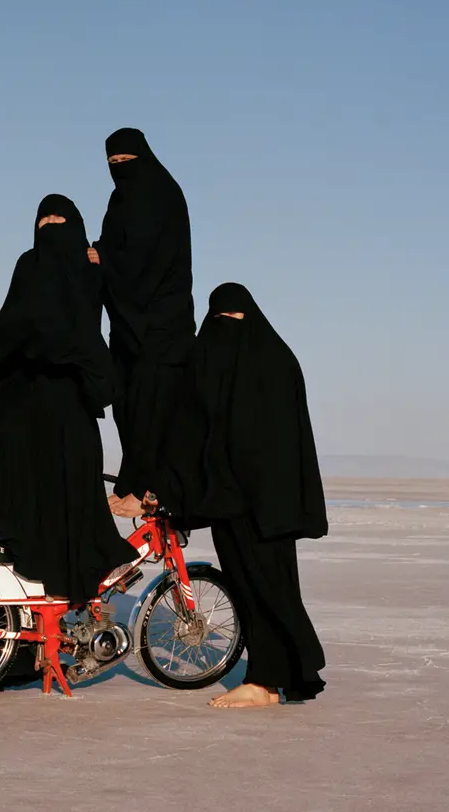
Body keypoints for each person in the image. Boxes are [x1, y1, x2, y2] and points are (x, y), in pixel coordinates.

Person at [117, 283, 327, 709]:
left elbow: (211, 438)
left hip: (257, 502)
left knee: (268, 589)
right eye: (220, 321)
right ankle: (275, 678)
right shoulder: (273, 358)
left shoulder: (258, 362)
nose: (226, 329)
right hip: (250, 502)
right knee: (255, 589)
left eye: (233, 320)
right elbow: (201, 435)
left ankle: (269, 680)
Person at [0, 194, 138, 604]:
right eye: (44, 220)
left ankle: (59, 611)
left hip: (70, 402)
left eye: (60, 219)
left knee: (70, 502)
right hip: (30, 401)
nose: (51, 226)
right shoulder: (30, 264)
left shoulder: (90, 269)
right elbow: (16, 318)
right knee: (26, 504)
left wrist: (101, 268)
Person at [94, 127, 195, 505]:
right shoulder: (119, 202)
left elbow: (146, 259)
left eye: (127, 162)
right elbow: (118, 248)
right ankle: (133, 482)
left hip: (162, 325)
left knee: (154, 406)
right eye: (113, 163)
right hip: (126, 325)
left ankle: (149, 485)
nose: (120, 169)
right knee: (128, 405)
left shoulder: (162, 194)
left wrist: (104, 260)